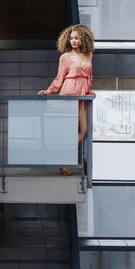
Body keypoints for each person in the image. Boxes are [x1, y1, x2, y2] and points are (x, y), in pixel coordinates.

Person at [38, 24, 95, 175]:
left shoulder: (89, 54)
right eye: (71, 38)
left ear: (83, 39)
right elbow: (59, 78)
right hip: (69, 93)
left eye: (76, 38)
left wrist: (89, 91)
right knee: (68, 131)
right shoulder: (65, 57)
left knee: (84, 132)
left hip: (82, 95)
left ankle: (61, 152)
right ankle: (64, 163)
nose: (73, 41)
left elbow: (89, 76)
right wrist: (48, 91)